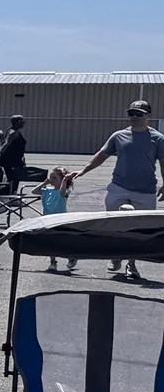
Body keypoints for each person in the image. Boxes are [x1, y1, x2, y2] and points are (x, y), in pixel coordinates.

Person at [72, 100, 164, 280]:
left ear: (148, 116)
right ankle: (116, 256)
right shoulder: (118, 136)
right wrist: (83, 170)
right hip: (119, 187)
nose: (134, 117)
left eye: (139, 114)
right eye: (132, 114)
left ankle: (131, 263)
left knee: (139, 230)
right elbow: (101, 155)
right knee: (115, 224)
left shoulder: (158, 139)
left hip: (145, 190)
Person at [0, 115, 27, 194]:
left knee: (14, 178)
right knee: (13, 178)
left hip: (15, 160)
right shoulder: (12, 133)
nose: (23, 123)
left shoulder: (13, 131)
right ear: (16, 122)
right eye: (22, 122)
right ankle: (11, 195)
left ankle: (12, 194)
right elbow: (6, 144)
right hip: (11, 161)